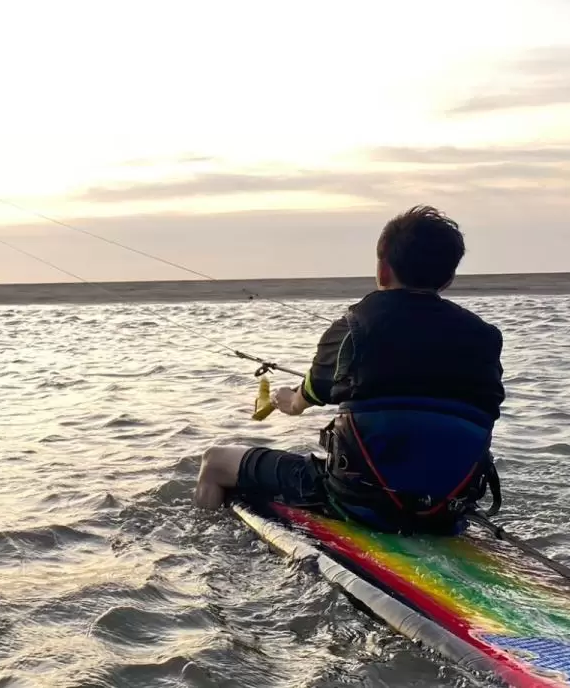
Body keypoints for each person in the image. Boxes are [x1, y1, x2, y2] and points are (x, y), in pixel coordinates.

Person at [194, 205, 506, 534]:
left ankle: (205, 544)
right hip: (447, 507)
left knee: (214, 461)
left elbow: (301, 401)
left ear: (383, 270)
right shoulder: (486, 338)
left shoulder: (351, 329)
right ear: (448, 277)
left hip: (359, 500)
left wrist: (287, 399)